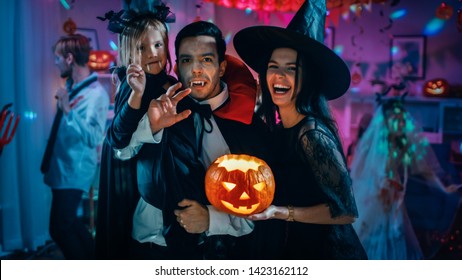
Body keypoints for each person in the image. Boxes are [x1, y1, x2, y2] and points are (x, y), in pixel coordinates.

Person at [115, 20, 269, 259]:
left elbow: (262, 201)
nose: (196, 69)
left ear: (221, 67)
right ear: (177, 67)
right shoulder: (159, 102)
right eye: (186, 60)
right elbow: (122, 153)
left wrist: (212, 219)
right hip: (149, 243)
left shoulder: (249, 127)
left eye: (206, 59)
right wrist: (151, 126)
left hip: (214, 252)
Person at [233, 0, 367, 259]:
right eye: (273, 67)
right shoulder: (281, 128)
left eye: (291, 69)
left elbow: (346, 212)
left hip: (328, 254)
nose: (280, 76)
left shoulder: (311, 134)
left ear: (307, 79)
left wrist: (282, 212)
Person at [95, 4, 176, 259]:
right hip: (130, 179)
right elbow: (118, 138)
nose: (152, 53)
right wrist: (137, 94)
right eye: (142, 48)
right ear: (129, 53)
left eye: (158, 45)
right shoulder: (130, 85)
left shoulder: (172, 84)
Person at [350, 94, 461, 259]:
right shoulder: (375, 144)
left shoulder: (404, 145)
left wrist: (442, 187)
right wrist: (380, 183)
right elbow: (359, 171)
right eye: (397, 119)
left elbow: (425, 170)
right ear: (387, 122)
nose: (402, 123)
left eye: (403, 119)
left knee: (395, 239)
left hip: (394, 199)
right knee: (371, 240)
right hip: (375, 199)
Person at [41, 34, 109, 259]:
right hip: (61, 168)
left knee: (60, 227)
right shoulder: (73, 87)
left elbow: (93, 137)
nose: (56, 62)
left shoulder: (96, 94)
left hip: (75, 169)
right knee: (67, 225)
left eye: (58, 58)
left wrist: (68, 109)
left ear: (69, 58)